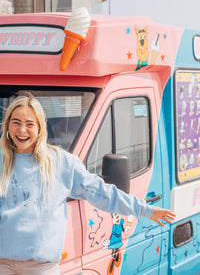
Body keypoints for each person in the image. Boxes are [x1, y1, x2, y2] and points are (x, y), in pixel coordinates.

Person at [0, 91, 175, 275]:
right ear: (8, 125)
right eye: (16, 122)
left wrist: (144, 209)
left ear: (40, 127)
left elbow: (100, 192)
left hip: (41, 267)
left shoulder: (61, 163)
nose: (21, 130)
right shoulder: (2, 160)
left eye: (30, 124)